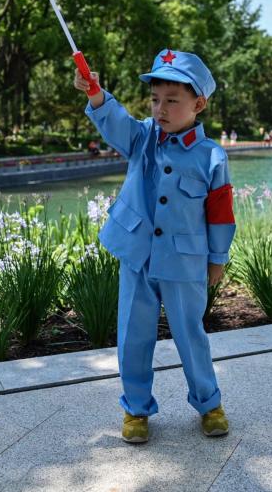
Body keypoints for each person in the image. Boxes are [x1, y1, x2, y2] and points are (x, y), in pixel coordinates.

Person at [74, 49, 235, 445]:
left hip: (185, 261)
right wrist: (95, 93)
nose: (160, 109)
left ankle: (208, 402)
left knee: (190, 334)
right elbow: (115, 123)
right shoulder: (143, 137)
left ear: (199, 104)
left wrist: (218, 259)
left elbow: (220, 213)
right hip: (137, 256)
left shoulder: (212, 155)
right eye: (155, 100)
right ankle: (135, 408)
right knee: (133, 334)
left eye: (172, 101)